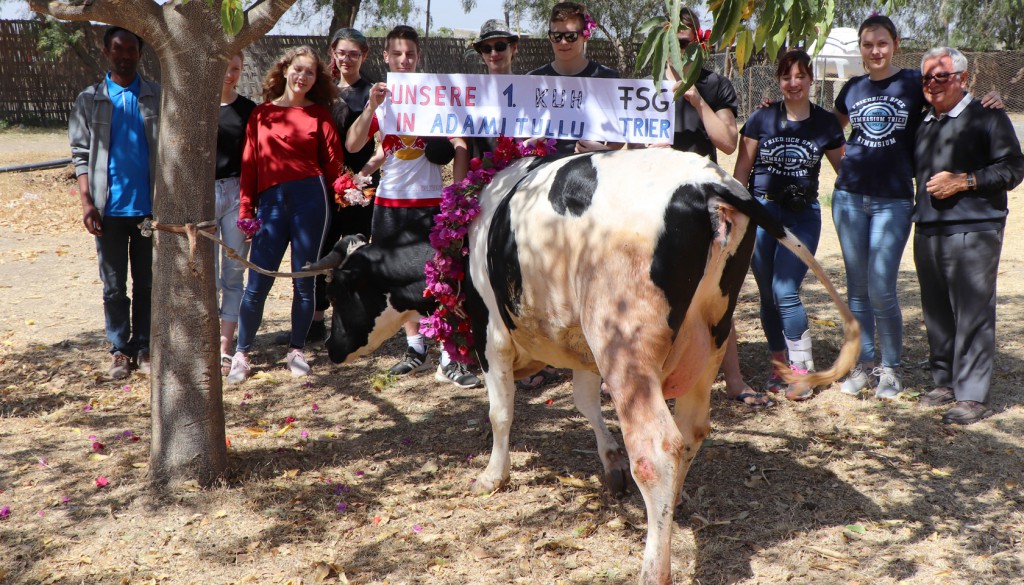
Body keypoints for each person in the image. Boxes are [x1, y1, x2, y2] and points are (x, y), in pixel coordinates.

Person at [346, 25, 481, 389]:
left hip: (430, 203)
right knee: (401, 281)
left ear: (417, 58)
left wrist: (458, 191)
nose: (404, 60)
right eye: (397, 54)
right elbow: (359, 144)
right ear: (386, 57)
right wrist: (371, 109)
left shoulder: (434, 96)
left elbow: (460, 142)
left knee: (440, 278)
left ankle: (449, 358)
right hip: (389, 205)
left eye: (410, 54)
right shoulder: (381, 98)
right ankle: (415, 348)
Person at [649, 8, 762, 407]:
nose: (678, 55)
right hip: (650, 204)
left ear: (700, 42)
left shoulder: (715, 85)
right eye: (671, 46)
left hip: (700, 205)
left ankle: (734, 378)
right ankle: (653, 377)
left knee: (715, 293)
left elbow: (729, 141)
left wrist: (696, 100)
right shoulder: (645, 86)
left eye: (685, 45)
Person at [913, 47, 1024, 425]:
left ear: (963, 78)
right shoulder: (924, 119)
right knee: (937, 312)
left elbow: (1012, 169)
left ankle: (973, 395)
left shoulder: (988, 118)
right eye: (926, 77)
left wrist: (964, 181)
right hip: (928, 228)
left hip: (975, 228)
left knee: (973, 311)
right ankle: (944, 382)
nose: (932, 83)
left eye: (941, 76)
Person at [226, 46, 345, 384]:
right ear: (284, 70)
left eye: (310, 72)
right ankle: (242, 353)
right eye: (298, 69)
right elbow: (249, 167)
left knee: (303, 282)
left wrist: (349, 189)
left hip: (312, 201)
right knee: (257, 282)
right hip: (271, 203)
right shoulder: (260, 114)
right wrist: (247, 210)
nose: (302, 77)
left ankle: (296, 349)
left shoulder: (320, 115)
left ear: (315, 79)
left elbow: (334, 167)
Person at [732, 49, 845, 401]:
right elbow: (741, 171)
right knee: (767, 295)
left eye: (800, 76)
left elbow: (847, 171)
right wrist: (735, 211)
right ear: (778, 80)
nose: (793, 83)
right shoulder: (760, 119)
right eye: (786, 76)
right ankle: (778, 363)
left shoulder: (826, 124)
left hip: (802, 216)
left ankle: (802, 370)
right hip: (761, 213)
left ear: (811, 79)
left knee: (785, 290)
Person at [279, 27, 381, 347]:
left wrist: (360, 179)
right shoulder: (321, 93)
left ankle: (346, 321)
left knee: (352, 253)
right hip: (321, 184)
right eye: (342, 52)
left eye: (355, 53)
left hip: (359, 184)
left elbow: (380, 145)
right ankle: (315, 320)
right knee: (318, 251)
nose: (347, 59)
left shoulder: (372, 93)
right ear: (333, 53)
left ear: (364, 56)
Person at [69, 26, 159, 380]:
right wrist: (87, 203)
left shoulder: (156, 96)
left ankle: (145, 345)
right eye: (118, 49)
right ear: (106, 52)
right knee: (114, 285)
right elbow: (80, 155)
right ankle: (119, 349)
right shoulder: (90, 99)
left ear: (140, 52)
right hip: (109, 210)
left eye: (131, 50)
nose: (125, 55)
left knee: (148, 283)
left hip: (150, 211)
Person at [527, 1, 621, 155]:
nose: (563, 42)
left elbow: (620, 134)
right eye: (556, 36)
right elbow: (519, 134)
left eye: (571, 36)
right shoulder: (532, 80)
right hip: (542, 171)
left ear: (585, 36)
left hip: (590, 170)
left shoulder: (607, 78)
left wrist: (605, 150)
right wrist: (528, 145)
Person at [215, 53, 257, 374]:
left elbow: (255, 159)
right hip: (200, 193)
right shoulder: (194, 108)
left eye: (235, 69)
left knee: (233, 272)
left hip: (236, 193)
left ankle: (225, 346)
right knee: (198, 270)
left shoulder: (248, 110)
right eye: (224, 67)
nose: (229, 75)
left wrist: (250, 203)